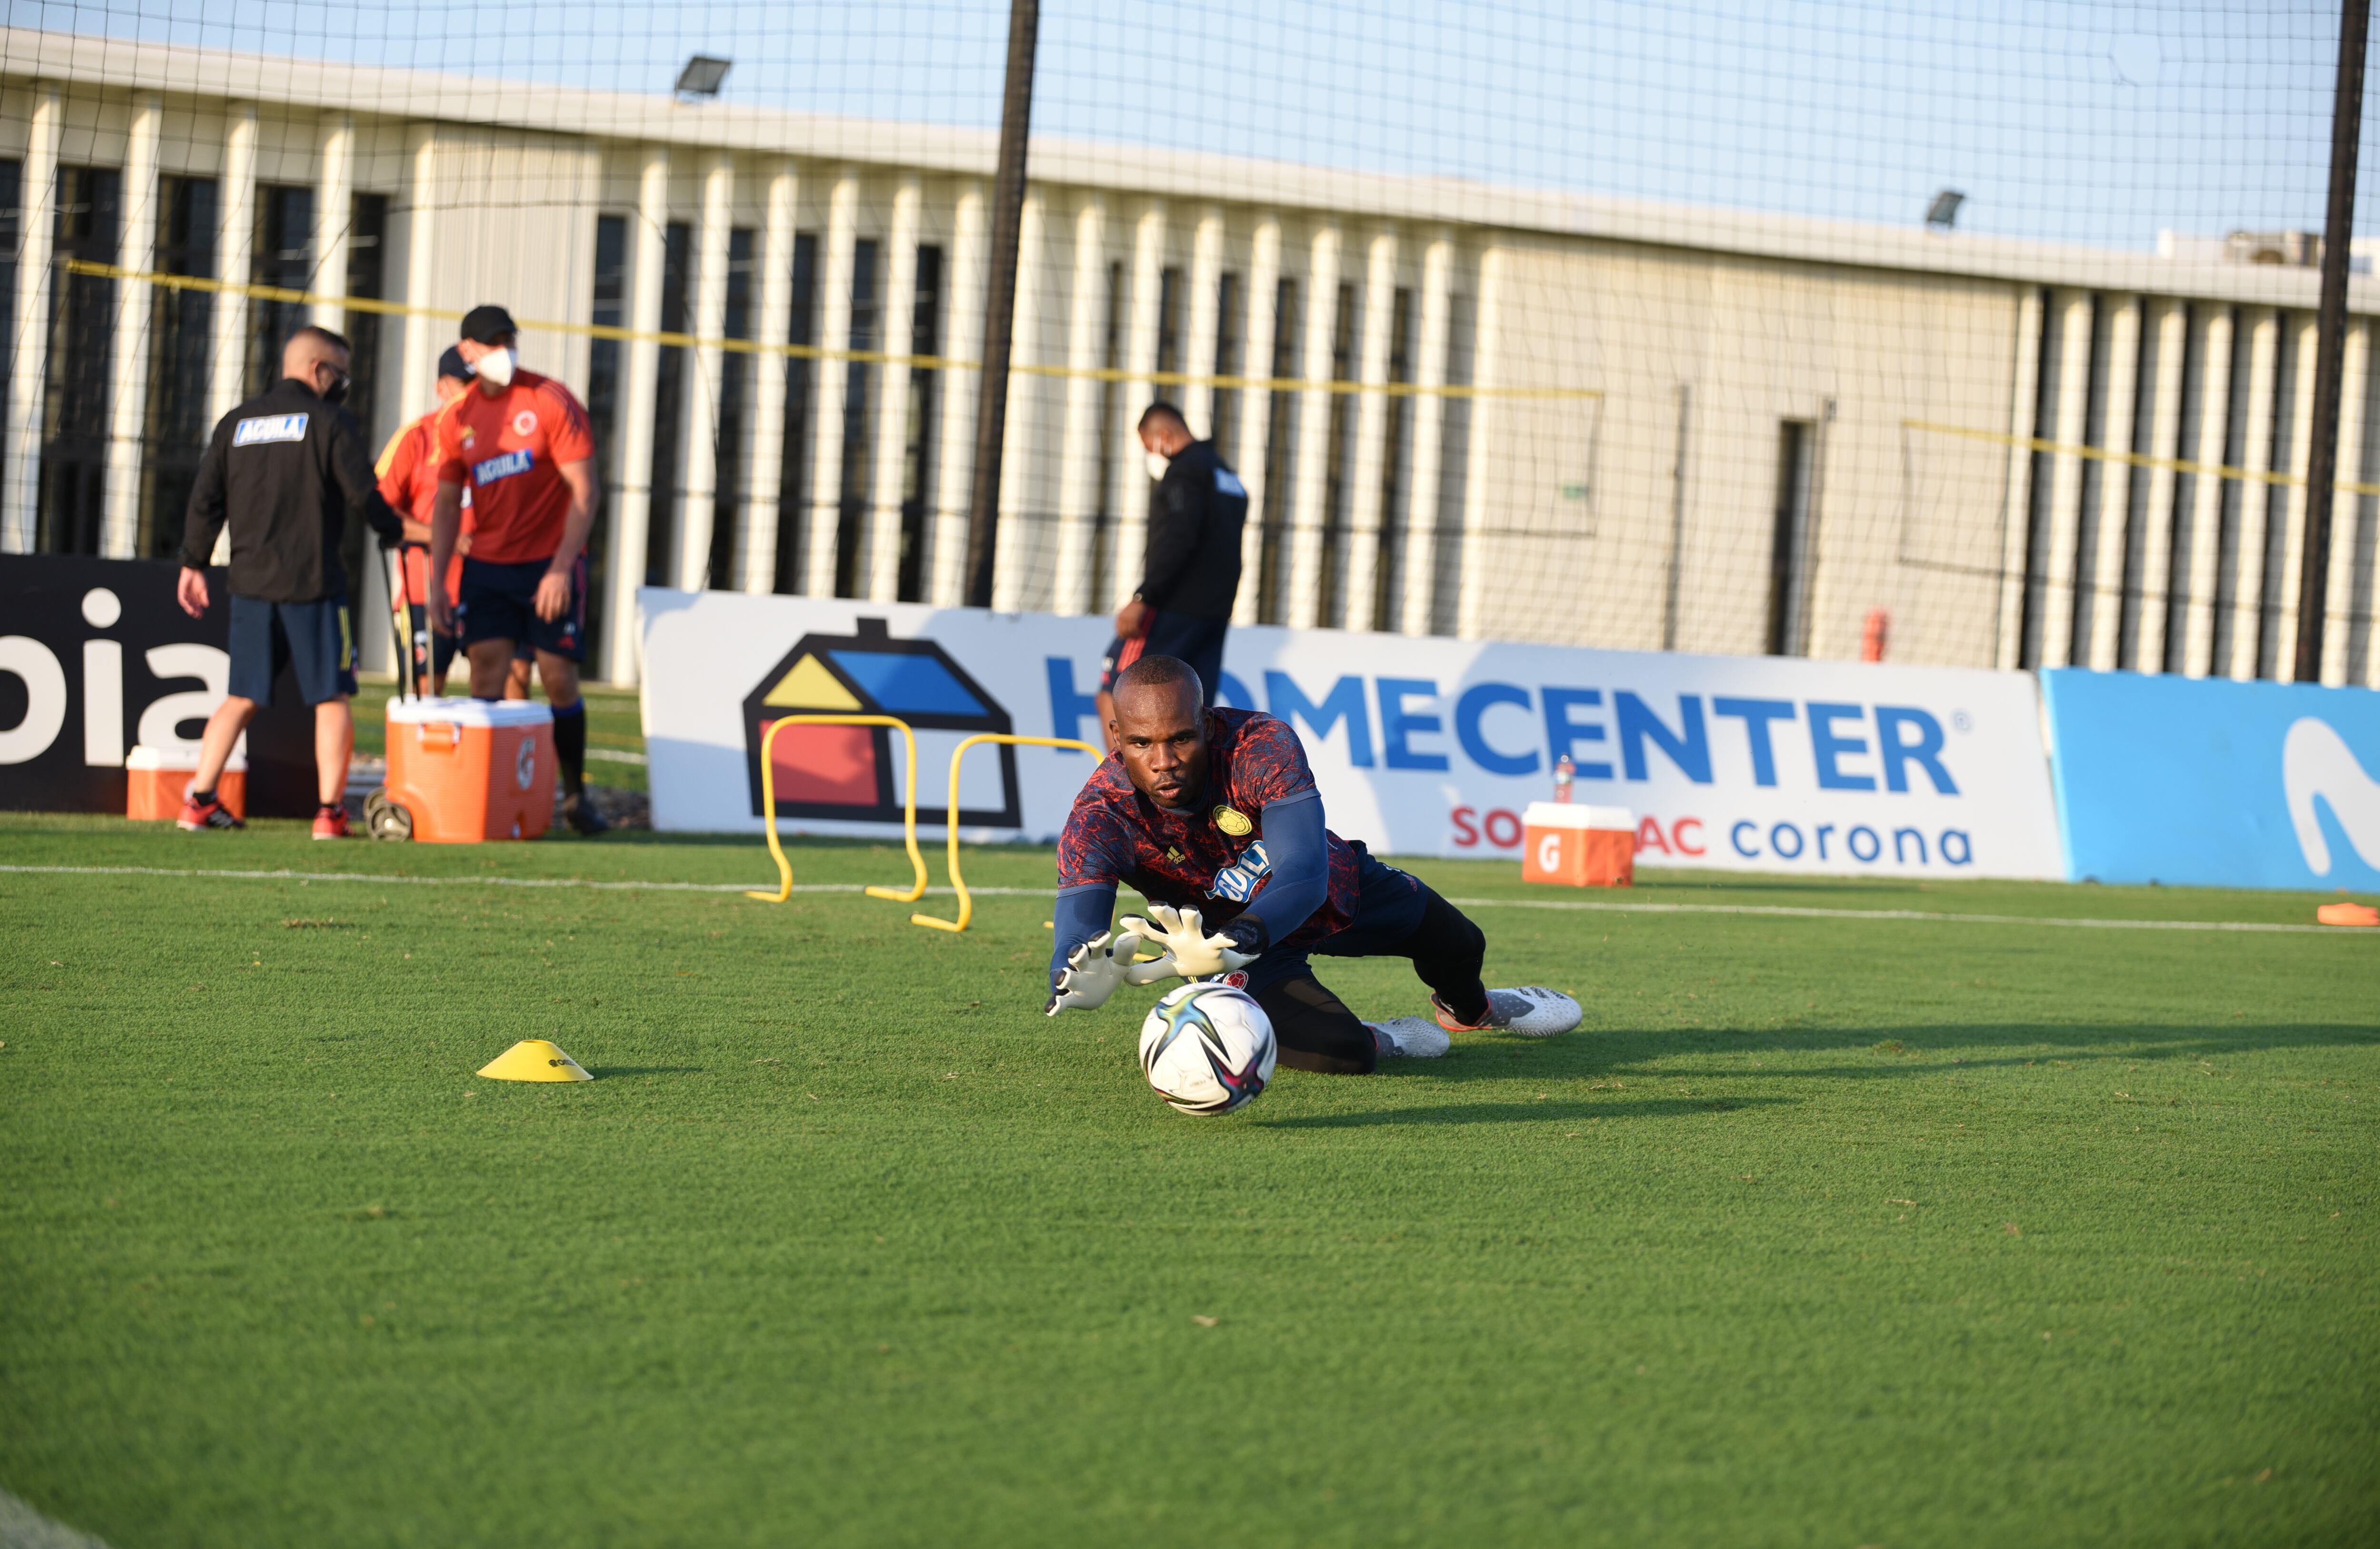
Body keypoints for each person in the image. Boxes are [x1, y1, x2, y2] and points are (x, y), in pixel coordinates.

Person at [1043, 654, 1582, 1072]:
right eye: (1141, 743)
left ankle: (1474, 1011)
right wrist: (1072, 972)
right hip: (1240, 958)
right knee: (1346, 1055)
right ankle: (1384, 1034)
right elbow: (1078, 927)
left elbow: (1303, 874)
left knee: (1461, 943)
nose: (1163, 762)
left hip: (1329, 890)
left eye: (1180, 738)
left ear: (1205, 724)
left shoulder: (1259, 743)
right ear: (1115, 736)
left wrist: (1238, 937)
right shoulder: (1098, 815)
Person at [174, 326, 404, 838]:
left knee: (241, 696)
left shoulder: (237, 422)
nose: (342, 384)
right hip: (314, 584)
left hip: (252, 583)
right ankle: (328, 813)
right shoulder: (328, 420)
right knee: (332, 697)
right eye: (339, 374)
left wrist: (193, 562)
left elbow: (205, 498)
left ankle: (200, 800)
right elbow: (362, 493)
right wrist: (394, 531)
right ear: (319, 370)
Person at [424, 305, 608, 834]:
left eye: (507, 339)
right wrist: (438, 583)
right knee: (486, 673)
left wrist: (559, 569)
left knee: (557, 678)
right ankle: (488, 797)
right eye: (490, 343)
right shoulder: (457, 420)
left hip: (548, 564)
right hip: (488, 565)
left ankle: (575, 797)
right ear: (467, 353)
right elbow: (445, 503)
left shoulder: (549, 399)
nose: (502, 350)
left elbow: (585, 491)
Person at [1110, 401, 1246, 710]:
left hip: (1174, 608)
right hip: (1214, 613)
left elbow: (1179, 539)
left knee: (1117, 687)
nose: (1152, 457)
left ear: (1165, 435)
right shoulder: (1226, 474)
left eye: (1150, 447)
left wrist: (1144, 597)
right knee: (1194, 709)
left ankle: (1121, 761)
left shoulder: (1184, 473)